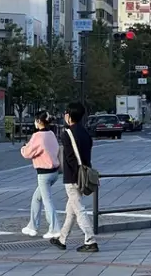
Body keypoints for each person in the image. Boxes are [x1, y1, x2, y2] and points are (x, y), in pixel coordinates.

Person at [49, 102, 99, 253]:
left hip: (72, 177)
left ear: (70, 116)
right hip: (84, 175)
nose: (65, 115)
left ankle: (90, 240)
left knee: (79, 210)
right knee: (71, 209)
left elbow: (70, 158)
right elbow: (87, 156)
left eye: (66, 113)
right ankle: (62, 238)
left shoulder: (67, 134)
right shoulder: (85, 133)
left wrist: (75, 176)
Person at [19, 111, 61, 239]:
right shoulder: (51, 134)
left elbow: (27, 153)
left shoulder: (37, 136)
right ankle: (32, 226)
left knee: (47, 200)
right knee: (37, 198)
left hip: (44, 173)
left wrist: (23, 148)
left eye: (35, 120)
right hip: (54, 172)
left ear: (38, 121)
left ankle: (54, 228)